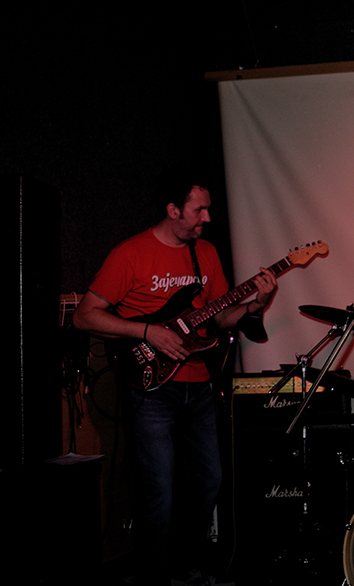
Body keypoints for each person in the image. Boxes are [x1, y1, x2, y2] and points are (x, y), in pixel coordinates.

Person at [73, 175, 277, 585]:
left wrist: (256, 305)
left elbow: (220, 316)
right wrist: (148, 332)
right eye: (199, 209)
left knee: (209, 479)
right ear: (173, 210)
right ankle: (155, 575)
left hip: (198, 383)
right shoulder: (130, 254)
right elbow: (84, 316)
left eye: (208, 209)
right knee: (158, 487)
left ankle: (188, 565)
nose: (207, 217)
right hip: (151, 387)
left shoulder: (206, 253)